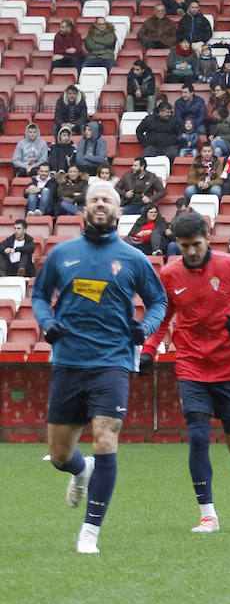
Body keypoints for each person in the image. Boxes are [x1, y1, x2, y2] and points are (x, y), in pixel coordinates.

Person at [33, 180, 168, 553]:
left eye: (107, 200)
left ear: (118, 211)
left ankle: (90, 531)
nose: (100, 204)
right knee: (60, 455)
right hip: (69, 361)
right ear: (84, 209)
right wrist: (47, 323)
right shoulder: (63, 254)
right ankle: (80, 470)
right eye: (94, 200)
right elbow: (40, 296)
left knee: (106, 439)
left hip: (113, 362)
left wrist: (146, 328)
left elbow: (159, 302)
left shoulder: (134, 258)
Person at [138, 212, 230, 533]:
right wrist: (148, 350)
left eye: (196, 244)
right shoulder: (169, 273)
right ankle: (208, 514)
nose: (191, 252)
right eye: (184, 246)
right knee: (197, 437)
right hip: (191, 365)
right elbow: (162, 317)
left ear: (208, 238)